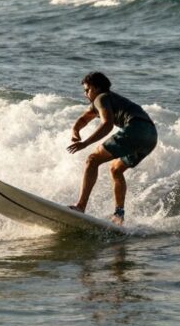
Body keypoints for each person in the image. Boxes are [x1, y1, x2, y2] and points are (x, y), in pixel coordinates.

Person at [67, 72, 158, 226]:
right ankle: (119, 214)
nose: (85, 94)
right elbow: (83, 119)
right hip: (150, 136)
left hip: (135, 128)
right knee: (116, 169)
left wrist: (85, 143)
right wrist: (75, 131)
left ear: (96, 88)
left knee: (92, 159)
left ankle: (81, 206)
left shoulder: (101, 98)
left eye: (87, 90)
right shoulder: (107, 100)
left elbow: (107, 124)